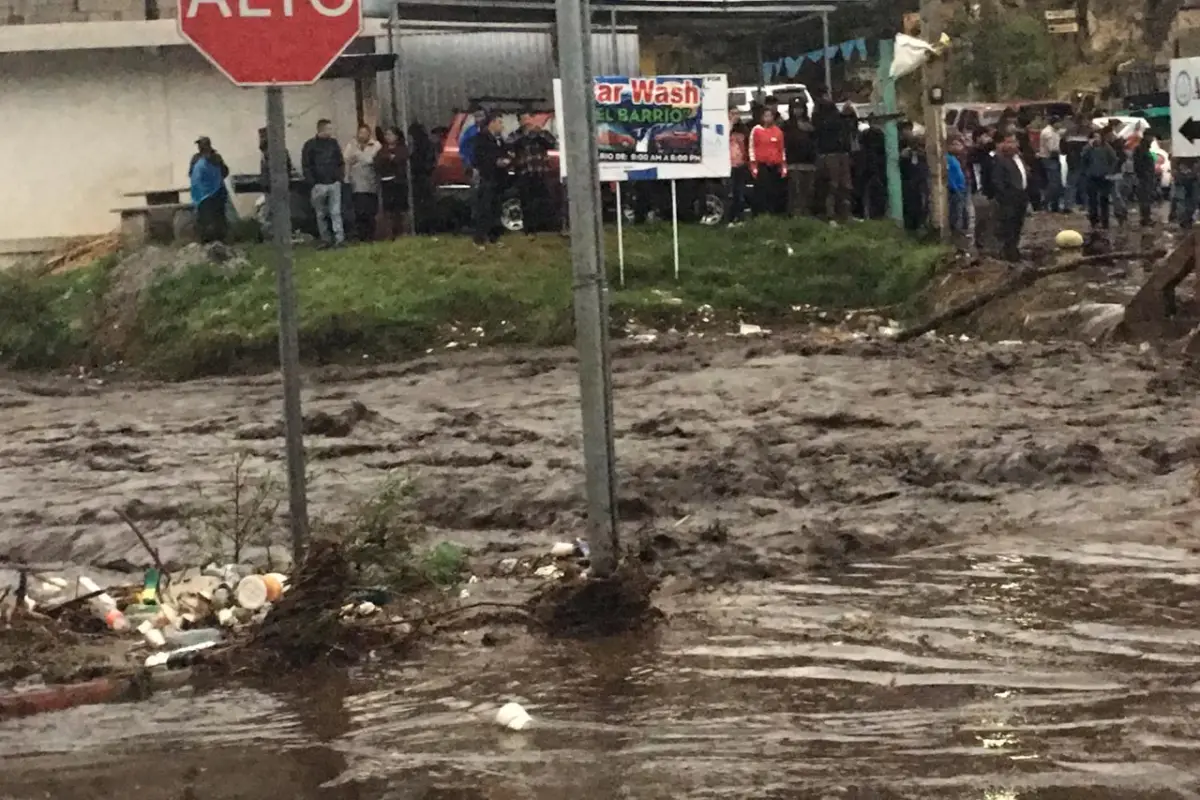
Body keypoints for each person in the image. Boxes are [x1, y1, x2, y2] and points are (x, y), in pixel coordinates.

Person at [508, 112, 557, 235]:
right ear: (520, 122)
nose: (528, 122)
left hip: (541, 171)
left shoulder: (541, 133)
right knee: (527, 202)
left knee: (545, 199)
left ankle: (546, 227)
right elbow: (509, 145)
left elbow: (552, 142)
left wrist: (538, 133)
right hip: (525, 173)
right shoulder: (515, 135)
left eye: (529, 118)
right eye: (524, 119)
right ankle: (529, 229)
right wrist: (525, 135)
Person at [301, 119, 346, 248]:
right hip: (318, 184)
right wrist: (312, 182)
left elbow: (340, 161)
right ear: (321, 130)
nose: (331, 132)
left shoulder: (333, 144)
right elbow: (306, 165)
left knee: (335, 212)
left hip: (333, 182)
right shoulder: (310, 145)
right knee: (321, 213)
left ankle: (339, 239)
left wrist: (339, 177)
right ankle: (325, 239)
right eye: (329, 129)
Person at [813, 90, 853, 221]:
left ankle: (846, 214)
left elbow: (849, 127)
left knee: (845, 185)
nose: (828, 98)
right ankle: (831, 215)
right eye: (825, 95)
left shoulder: (836, 112)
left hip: (842, 151)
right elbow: (822, 128)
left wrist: (849, 114)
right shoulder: (819, 113)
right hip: (829, 153)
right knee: (832, 185)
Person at [471, 111, 509, 248]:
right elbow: (477, 158)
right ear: (491, 123)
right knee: (484, 209)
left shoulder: (499, 139)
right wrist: (495, 162)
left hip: (499, 178)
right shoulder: (481, 138)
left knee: (496, 208)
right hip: (487, 178)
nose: (501, 125)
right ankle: (479, 238)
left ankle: (494, 237)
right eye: (499, 122)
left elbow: (504, 152)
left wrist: (507, 159)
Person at [992, 133, 1029, 263]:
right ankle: (1009, 252)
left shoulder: (1019, 158)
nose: (1011, 145)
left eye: (1013, 142)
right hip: (1009, 198)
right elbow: (997, 180)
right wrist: (1005, 195)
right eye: (1008, 142)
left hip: (1022, 196)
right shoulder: (1001, 160)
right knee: (1009, 225)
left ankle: (1015, 248)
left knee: (1018, 223)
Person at [344, 124, 381, 243]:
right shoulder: (351, 145)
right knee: (359, 211)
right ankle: (361, 236)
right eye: (360, 132)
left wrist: (358, 156)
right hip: (356, 183)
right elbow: (346, 159)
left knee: (370, 211)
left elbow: (370, 160)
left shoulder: (376, 145)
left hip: (371, 183)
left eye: (365, 133)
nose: (362, 135)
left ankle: (371, 236)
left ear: (369, 134)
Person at [189, 136, 230, 244]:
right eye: (199, 145)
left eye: (201, 144)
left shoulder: (215, 158)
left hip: (215, 193)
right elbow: (192, 174)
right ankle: (207, 242)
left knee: (217, 217)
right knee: (205, 218)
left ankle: (220, 241)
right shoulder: (197, 158)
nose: (199, 147)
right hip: (205, 194)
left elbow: (224, 172)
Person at [749, 108, 788, 216]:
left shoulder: (778, 132)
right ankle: (759, 213)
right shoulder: (756, 130)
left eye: (770, 116)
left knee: (774, 191)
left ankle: (773, 213)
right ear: (762, 117)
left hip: (775, 165)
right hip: (762, 165)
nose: (768, 118)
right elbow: (751, 148)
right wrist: (753, 165)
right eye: (766, 116)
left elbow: (781, 149)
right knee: (761, 190)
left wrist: (783, 166)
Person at [374, 126, 410, 239]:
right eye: (386, 135)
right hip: (386, 182)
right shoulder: (382, 150)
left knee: (401, 208)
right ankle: (389, 234)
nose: (388, 137)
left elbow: (400, 159)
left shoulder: (402, 148)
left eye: (390, 134)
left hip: (399, 182)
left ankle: (402, 232)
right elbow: (378, 162)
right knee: (388, 209)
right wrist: (389, 158)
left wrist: (392, 159)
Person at [782, 102, 817, 217]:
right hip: (793, 163)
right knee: (795, 190)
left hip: (809, 163)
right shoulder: (787, 125)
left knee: (808, 190)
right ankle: (795, 214)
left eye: (800, 108)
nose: (798, 111)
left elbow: (815, 141)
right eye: (795, 108)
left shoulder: (810, 124)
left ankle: (807, 213)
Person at [1081, 130, 1119, 230]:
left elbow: (1114, 159)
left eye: (1098, 137)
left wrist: (1109, 171)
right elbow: (1083, 159)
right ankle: (1094, 220)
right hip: (1091, 177)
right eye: (1094, 137)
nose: (1096, 139)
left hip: (1104, 177)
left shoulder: (1106, 147)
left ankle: (1105, 221)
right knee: (1092, 200)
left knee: (1104, 199)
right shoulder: (1088, 148)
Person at [408, 123, 437, 233]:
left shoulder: (424, 145)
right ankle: (423, 227)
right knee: (422, 204)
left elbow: (428, 162)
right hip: (420, 176)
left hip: (424, 176)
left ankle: (427, 227)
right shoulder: (417, 145)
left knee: (425, 203)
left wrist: (418, 167)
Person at [725, 108, 750, 224]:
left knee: (739, 192)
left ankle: (739, 217)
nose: (735, 116)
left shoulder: (743, 129)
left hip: (740, 164)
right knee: (730, 192)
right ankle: (729, 218)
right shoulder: (725, 127)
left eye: (737, 114)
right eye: (732, 113)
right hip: (728, 164)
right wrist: (730, 124)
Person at [1132, 132, 1158, 228]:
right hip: (1144, 178)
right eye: (1151, 138)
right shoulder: (1140, 149)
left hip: (1148, 178)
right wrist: (1143, 174)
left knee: (1147, 198)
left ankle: (1146, 218)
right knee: (1145, 199)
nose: (1152, 140)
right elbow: (1138, 165)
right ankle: (1145, 219)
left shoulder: (1145, 149)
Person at [1038, 116, 1064, 212]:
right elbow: (1052, 149)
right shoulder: (1048, 133)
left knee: (1057, 183)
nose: (1061, 125)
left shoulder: (1055, 131)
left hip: (1053, 158)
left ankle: (1054, 205)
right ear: (1055, 123)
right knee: (1054, 183)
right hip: (1049, 159)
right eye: (1059, 123)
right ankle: (1045, 201)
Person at [946, 137, 969, 242]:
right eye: (954, 144)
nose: (957, 147)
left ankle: (960, 233)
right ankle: (955, 235)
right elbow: (949, 175)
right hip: (956, 190)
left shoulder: (956, 158)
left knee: (962, 212)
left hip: (962, 188)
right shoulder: (948, 158)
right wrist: (955, 188)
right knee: (956, 213)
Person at [458, 107, 487, 182]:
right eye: (476, 116)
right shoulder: (470, 131)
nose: (478, 118)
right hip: (474, 165)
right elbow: (463, 147)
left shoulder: (489, 130)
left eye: (481, 116)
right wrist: (467, 162)